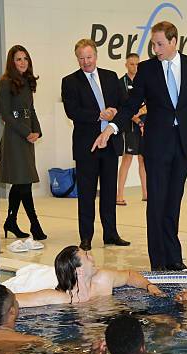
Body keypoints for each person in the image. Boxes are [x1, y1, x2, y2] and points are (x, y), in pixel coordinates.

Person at [94, 21, 187, 272]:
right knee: (157, 202)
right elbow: (131, 105)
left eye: (160, 44)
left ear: (173, 42)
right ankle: (158, 261)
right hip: (157, 145)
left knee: (173, 202)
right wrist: (112, 127)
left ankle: (174, 258)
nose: (156, 49)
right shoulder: (147, 70)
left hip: (182, 144)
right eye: (153, 44)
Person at [61, 39, 129, 251]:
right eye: (81, 58)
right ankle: (86, 237)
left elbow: (124, 103)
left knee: (109, 191)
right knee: (87, 193)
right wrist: (99, 115)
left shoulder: (110, 77)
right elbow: (72, 111)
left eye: (89, 57)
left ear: (96, 56)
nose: (86, 62)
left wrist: (114, 112)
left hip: (110, 143)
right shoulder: (70, 81)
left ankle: (111, 234)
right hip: (86, 146)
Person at [0, 45, 46, 241]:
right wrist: (26, 132)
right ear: (12, 62)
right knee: (24, 183)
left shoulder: (27, 82)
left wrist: (37, 131)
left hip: (26, 138)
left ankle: (11, 221)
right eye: (18, 59)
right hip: (15, 138)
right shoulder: (5, 83)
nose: (23, 62)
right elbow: (6, 115)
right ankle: (35, 225)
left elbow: (31, 110)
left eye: (25, 58)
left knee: (21, 182)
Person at [13, 245, 165, 307]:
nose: (92, 257)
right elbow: (14, 300)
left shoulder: (103, 279)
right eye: (87, 256)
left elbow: (130, 275)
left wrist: (149, 285)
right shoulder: (61, 298)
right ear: (79, 270)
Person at [116, 53, 148, 205]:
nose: (134, 67)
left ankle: (146, 193)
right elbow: (123, 106)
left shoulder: (145, 80)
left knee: (143, 159)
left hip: (145, 124)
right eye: (131, 64)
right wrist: (135, 118)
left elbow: (150, 102)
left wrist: (141, 114)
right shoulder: (120, 83)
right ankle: (119, 196)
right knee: (127, 159)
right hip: (129, 127)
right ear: (126, 65)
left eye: (137, 64)